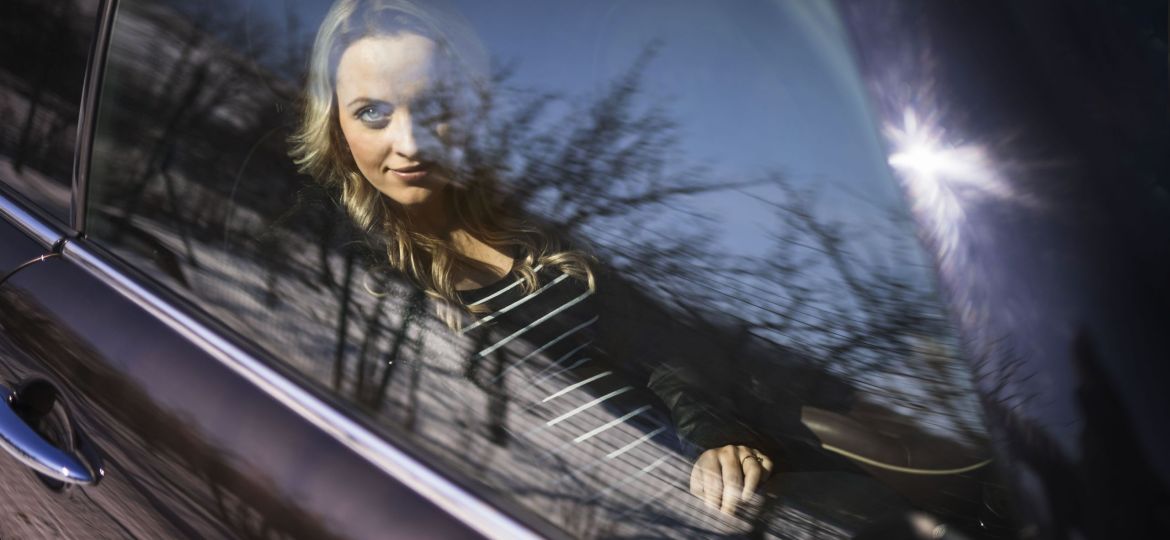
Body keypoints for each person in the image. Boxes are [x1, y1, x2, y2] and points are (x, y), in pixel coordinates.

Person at [289, 0, 774, 516]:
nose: (409, 142)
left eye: (434, 107)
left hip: (682, 500)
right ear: (336, 126)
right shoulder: (341, 264)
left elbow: (660, 354)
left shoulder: (541, 229)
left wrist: (712, 437)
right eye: (372, 113)